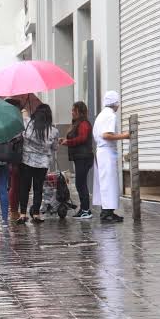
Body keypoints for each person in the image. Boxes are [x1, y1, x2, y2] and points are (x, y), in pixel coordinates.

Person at [17, 104, 59, 224]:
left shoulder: (28, 125)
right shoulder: (53, 131)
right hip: (42, 164)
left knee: (24, 188)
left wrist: (25, 113)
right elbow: (55, 147)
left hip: (26, 161)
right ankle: (36, 214)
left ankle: (23, 214)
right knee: (38, 189)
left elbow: (24, 118)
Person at [92, 91, 129, 222]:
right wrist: (125, 136)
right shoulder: (110, 116)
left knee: (105, 182)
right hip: (106, 153)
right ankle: (107, 213)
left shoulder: (101, 115)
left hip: (102, 152)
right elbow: (106, 135)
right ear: (116, 103)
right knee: (109, 182)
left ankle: (106, 211)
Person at [60, 101, 94, 219]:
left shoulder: (84, 123)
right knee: (80, 183)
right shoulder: (78, 123)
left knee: (81, 184)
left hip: (83, 158)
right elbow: (76, 137)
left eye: (74, 110)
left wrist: (67, 142)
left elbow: (82, 138)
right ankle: (84, 209)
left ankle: (86, 210)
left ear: (79, 111)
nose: (72, 112)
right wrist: (65, 140)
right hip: (80, 157)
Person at [5, 98, 24, 221]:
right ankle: (13, 211)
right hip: (14, 158)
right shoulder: (14, 123)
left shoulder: (4, 120)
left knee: (10, 185)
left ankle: (11, 210)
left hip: (7, 157)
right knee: (14, 185)